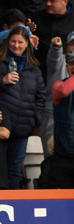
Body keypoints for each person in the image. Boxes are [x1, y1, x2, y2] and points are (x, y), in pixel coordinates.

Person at [0, 25, 46, 189]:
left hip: (22, 128)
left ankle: (12, 206)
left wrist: (36, 119)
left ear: (27, 44)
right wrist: (2, 81)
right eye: (13, 41)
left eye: (20, 42)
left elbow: (41, 96)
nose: (16, 45)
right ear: (7, 42)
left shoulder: (33, 69)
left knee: (14, 171)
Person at [48, 48, 74, 187]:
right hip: (62, 158)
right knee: (62, 205)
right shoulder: (59, 86)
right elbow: (63, 91)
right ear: (66, 66)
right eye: (71, 63)